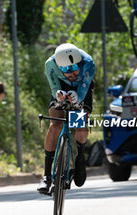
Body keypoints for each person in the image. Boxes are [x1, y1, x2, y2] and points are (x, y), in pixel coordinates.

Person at [37, 43, 95, 194]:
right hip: (60, 86)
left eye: (75, 69)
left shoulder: (88, 63)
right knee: (55, 124)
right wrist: (59, 95)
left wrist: (78, 98)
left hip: (82, 87)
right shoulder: (50, 64)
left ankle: (80, 157)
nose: (71, 74)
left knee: (80, 124)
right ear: (58, 65)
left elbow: (83, 87)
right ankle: (46, 175)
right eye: (66, 70)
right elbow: (54, 88)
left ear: (79, 63)